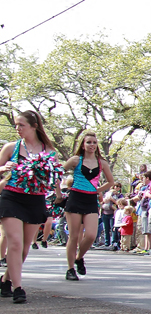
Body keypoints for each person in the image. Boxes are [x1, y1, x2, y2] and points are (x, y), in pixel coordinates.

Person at [0, 110, 62, 303]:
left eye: (22, 125)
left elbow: (55, 176)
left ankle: (5, 280)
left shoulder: (49, 150)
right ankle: (18, 288)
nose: (17, 128)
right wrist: (3, 168)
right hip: (11, 197)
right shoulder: (12, 147)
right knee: (15, 243)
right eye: (16, 125)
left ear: (34, 126)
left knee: (25, 248)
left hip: (35, 199)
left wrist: (57, 191)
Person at [61, 131, 114, 281]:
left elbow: (110, 181)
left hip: (91, 199)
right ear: (83, 145)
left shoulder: (102, 163)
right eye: (88, 142)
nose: (92, 145)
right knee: (74, 236)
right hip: (75, 198)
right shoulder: (75, 160)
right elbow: (58, 173)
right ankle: (70, 269)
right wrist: (59, 192)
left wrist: (97, 190)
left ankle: (79, 258)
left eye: (94, 142)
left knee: (91, 235)